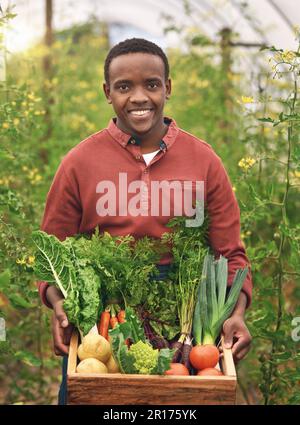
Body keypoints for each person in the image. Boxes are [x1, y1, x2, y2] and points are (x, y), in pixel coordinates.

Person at [37, 38, 252, 404]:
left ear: (167, 87)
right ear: (108, 92)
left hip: (186, 313)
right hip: (104, 318)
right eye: (124, 87)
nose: (139, 97)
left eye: (151, 84)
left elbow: (231, 255)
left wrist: (237, 312)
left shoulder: (203, 161)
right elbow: (51, 257)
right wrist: (59, 304)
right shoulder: (79, 163)